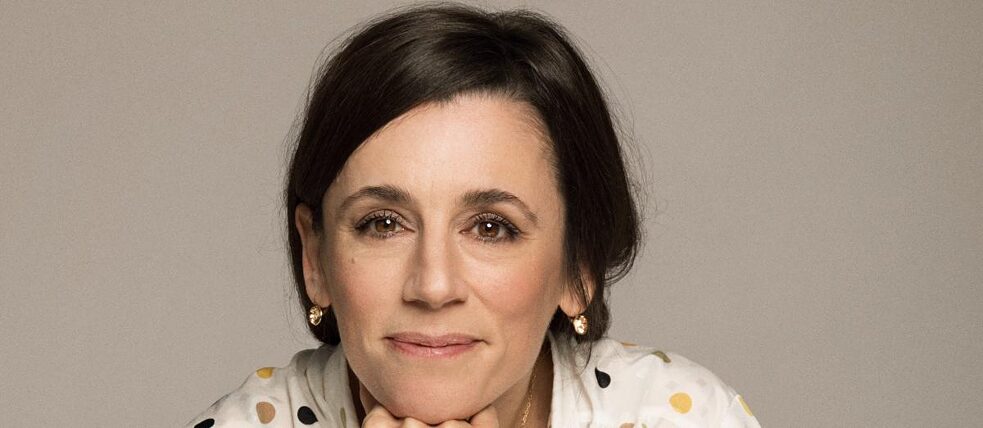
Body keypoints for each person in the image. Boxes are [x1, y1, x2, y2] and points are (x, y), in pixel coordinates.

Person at [187, 3, 761, 427]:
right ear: (315, 258)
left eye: (491, 227)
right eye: (383, 223)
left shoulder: (687, 417)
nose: (433, 286)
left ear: (578, 265)